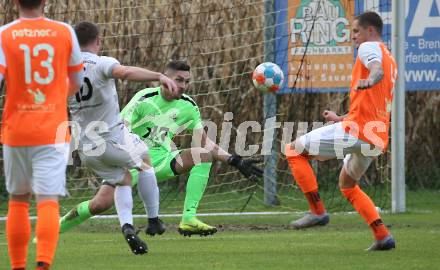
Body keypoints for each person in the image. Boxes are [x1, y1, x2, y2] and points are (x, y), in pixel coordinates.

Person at [60, 60, 264, 237]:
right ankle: (56, 228)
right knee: (99, 205)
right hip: (134, 161)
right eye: (179, 80)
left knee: (203, 155)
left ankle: (189, 219)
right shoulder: (145, 98)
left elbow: (205, 142)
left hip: (164, 161)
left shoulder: (189, 106)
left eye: (186, 81)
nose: (183, 85)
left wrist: (234, 160)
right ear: (165, 79)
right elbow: (121, 126)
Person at [61, 21, 178, 255]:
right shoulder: (102, 62)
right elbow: (123, 72)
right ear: (98, 41)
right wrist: (158, 75)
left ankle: (127, 227)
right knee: (145, 161)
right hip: (112, 138)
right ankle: (154, 219)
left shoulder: (65, 69)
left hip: (87, 149)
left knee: (123, 180)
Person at [285, 11, 397, 251]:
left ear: (370, 31)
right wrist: (341, 117)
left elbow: (375, 70)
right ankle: (382, 236)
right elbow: (375, 104)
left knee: (293, 150)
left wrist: (371, 79)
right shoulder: (391, 59)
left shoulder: (369, 48)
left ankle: (317, 212)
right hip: (376, 136)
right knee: (347, 183)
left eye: (356, 31)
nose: (353, 36)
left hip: (358, 131)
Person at [0, 0, 84, 269]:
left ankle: (17, 266)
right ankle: (43, 263)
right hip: (52, 129)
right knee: (47, 200)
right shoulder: (64, 31)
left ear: (15, 1)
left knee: (18, 198)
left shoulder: (5, 33)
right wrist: (53, 98)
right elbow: (76, 82)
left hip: (16, 129)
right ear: (45, 1)